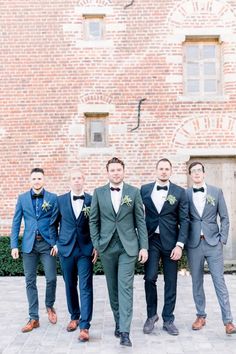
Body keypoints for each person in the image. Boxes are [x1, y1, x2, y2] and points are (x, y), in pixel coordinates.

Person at [89, 157, 148, 347]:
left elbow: (140, 221)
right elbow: (93, 221)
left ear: (123, 171)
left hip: (128, 247)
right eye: (112, 170)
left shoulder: (134, 192)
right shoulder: (98, 193)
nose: (116, 173)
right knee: (112, 288)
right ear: (107, 172)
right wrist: (97, 244)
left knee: (125, 287)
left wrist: (143, 246)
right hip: (107, 247)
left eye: (119, 170)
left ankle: (125, 331)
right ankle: (118, 320)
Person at [186, 161, 236, 335]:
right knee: (196, 282)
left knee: (219, 281)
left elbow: (225, 217)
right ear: (190, 175)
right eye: (193, 171)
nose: (197, 174)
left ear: (204, 173)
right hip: (193, 244)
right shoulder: (185, 194)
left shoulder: (216, 191)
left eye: (199, 170)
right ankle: (201, 316)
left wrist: (222, 238)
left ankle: (228, 321)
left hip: (214, 243)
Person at [141, 158, 189, 336]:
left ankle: (168, 319)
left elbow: (184, 220)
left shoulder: (179, 192)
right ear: (156, 170)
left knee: (171, 282)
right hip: (151, 240)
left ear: (171, 171)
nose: (163, 171)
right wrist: (141, 243)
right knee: (149, 278)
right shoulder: (145, 190)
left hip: (171, 243)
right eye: (161, 168)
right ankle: (151, 315)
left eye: (166, 169)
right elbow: (139, 215)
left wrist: (180, 245)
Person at [50, 168, 97, 342]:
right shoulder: (60, 200)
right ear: (69, 181)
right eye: (74, 178)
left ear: (84, 180)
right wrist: (55, 243)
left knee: (85, 286)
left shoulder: (92, 200)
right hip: (66, 249)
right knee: (70, 284)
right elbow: (52, 224)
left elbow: (96, 224)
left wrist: (95, 246)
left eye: (79, 178)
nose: (77, 181)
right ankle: (74, 316)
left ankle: (85, 326)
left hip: (85, 249)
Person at [10, 168, 57, 333]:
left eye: (39, 178)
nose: (37, 181)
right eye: (34, 178)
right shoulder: (22, 198)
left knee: (51, 278)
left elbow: (58, 221)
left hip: (47, 245)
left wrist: (56, 243)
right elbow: (16, 222)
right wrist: (14, 245)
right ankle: (34, 318)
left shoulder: (52, 198)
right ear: (30, 181)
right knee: (30, 281)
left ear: (44, 180)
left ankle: (49, 306)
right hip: (29, 245)